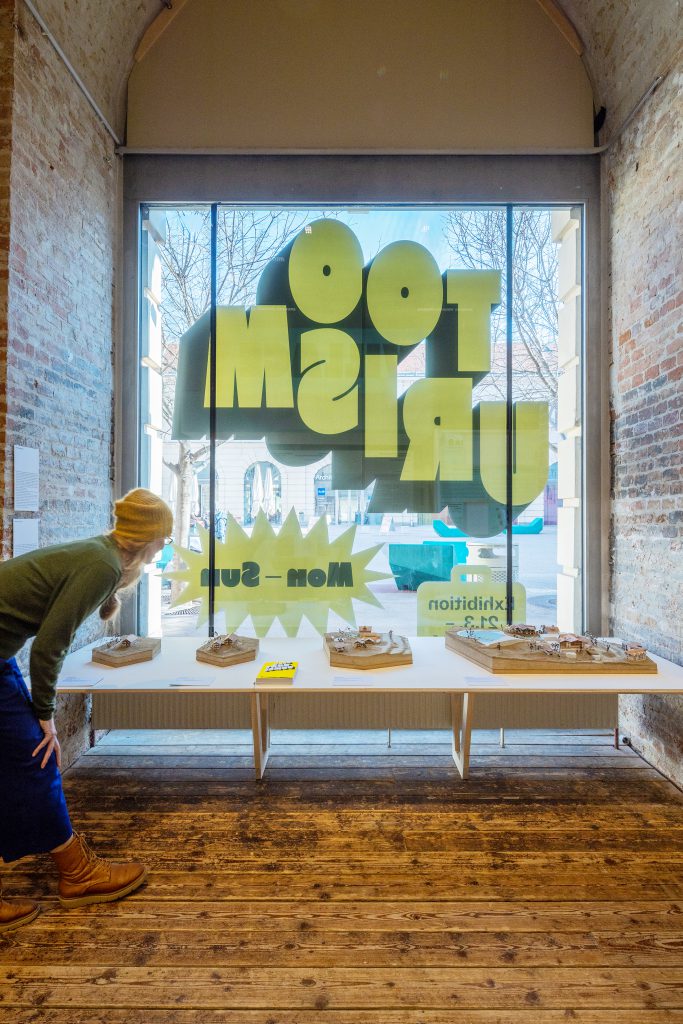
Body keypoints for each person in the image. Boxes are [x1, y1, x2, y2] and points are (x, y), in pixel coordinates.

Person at [0, 488, 173, 932]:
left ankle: (75, 870)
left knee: (27, 760)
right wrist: (45, 714)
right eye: (164, 538)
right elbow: (50, 646)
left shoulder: (102, 555)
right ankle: (77, 873)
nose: (164, 547)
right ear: (148, 538)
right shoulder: (102, 564)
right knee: (35, 755)